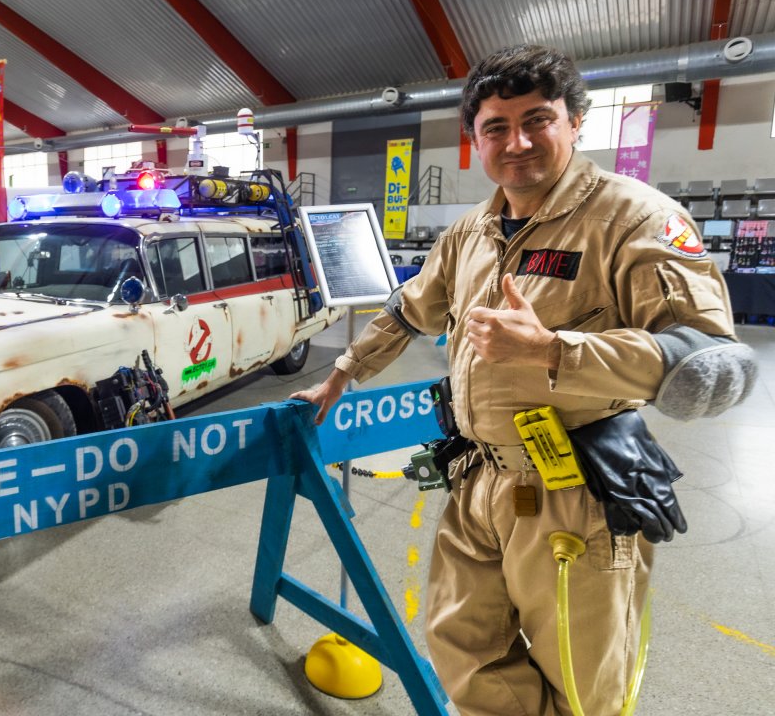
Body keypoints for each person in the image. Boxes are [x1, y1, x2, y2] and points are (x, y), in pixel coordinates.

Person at [291, 44, 754, 715]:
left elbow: (712, 361)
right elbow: (409, 309)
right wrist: (341, 373)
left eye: (537, 120)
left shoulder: (632, 219)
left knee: (583, 682)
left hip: (573, 493)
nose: (518, 142)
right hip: (478, 479)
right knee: (459, 648)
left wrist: (556, 351)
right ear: (475, 140)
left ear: (575, 123)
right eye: (497, 127)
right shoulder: (471, 232)